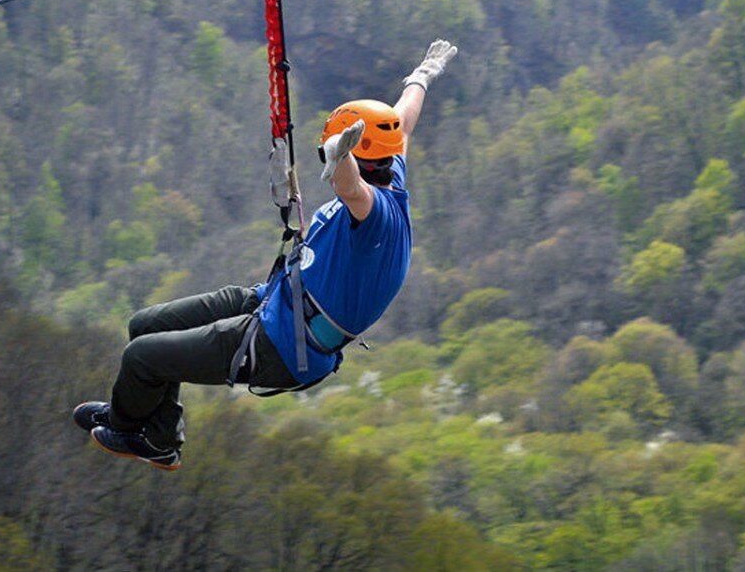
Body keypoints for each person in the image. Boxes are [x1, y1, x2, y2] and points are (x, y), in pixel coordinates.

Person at [73, 39, 458, 469]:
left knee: (140, 359)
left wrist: (340, 159)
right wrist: (422, 76)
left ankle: (140, 433)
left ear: (355, 158)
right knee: (143, 327)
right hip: (275, 301)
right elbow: (401, 123)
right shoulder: (391, 168)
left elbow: (351, 189)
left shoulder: (377, 214)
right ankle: (149, 421)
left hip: (285, 344)